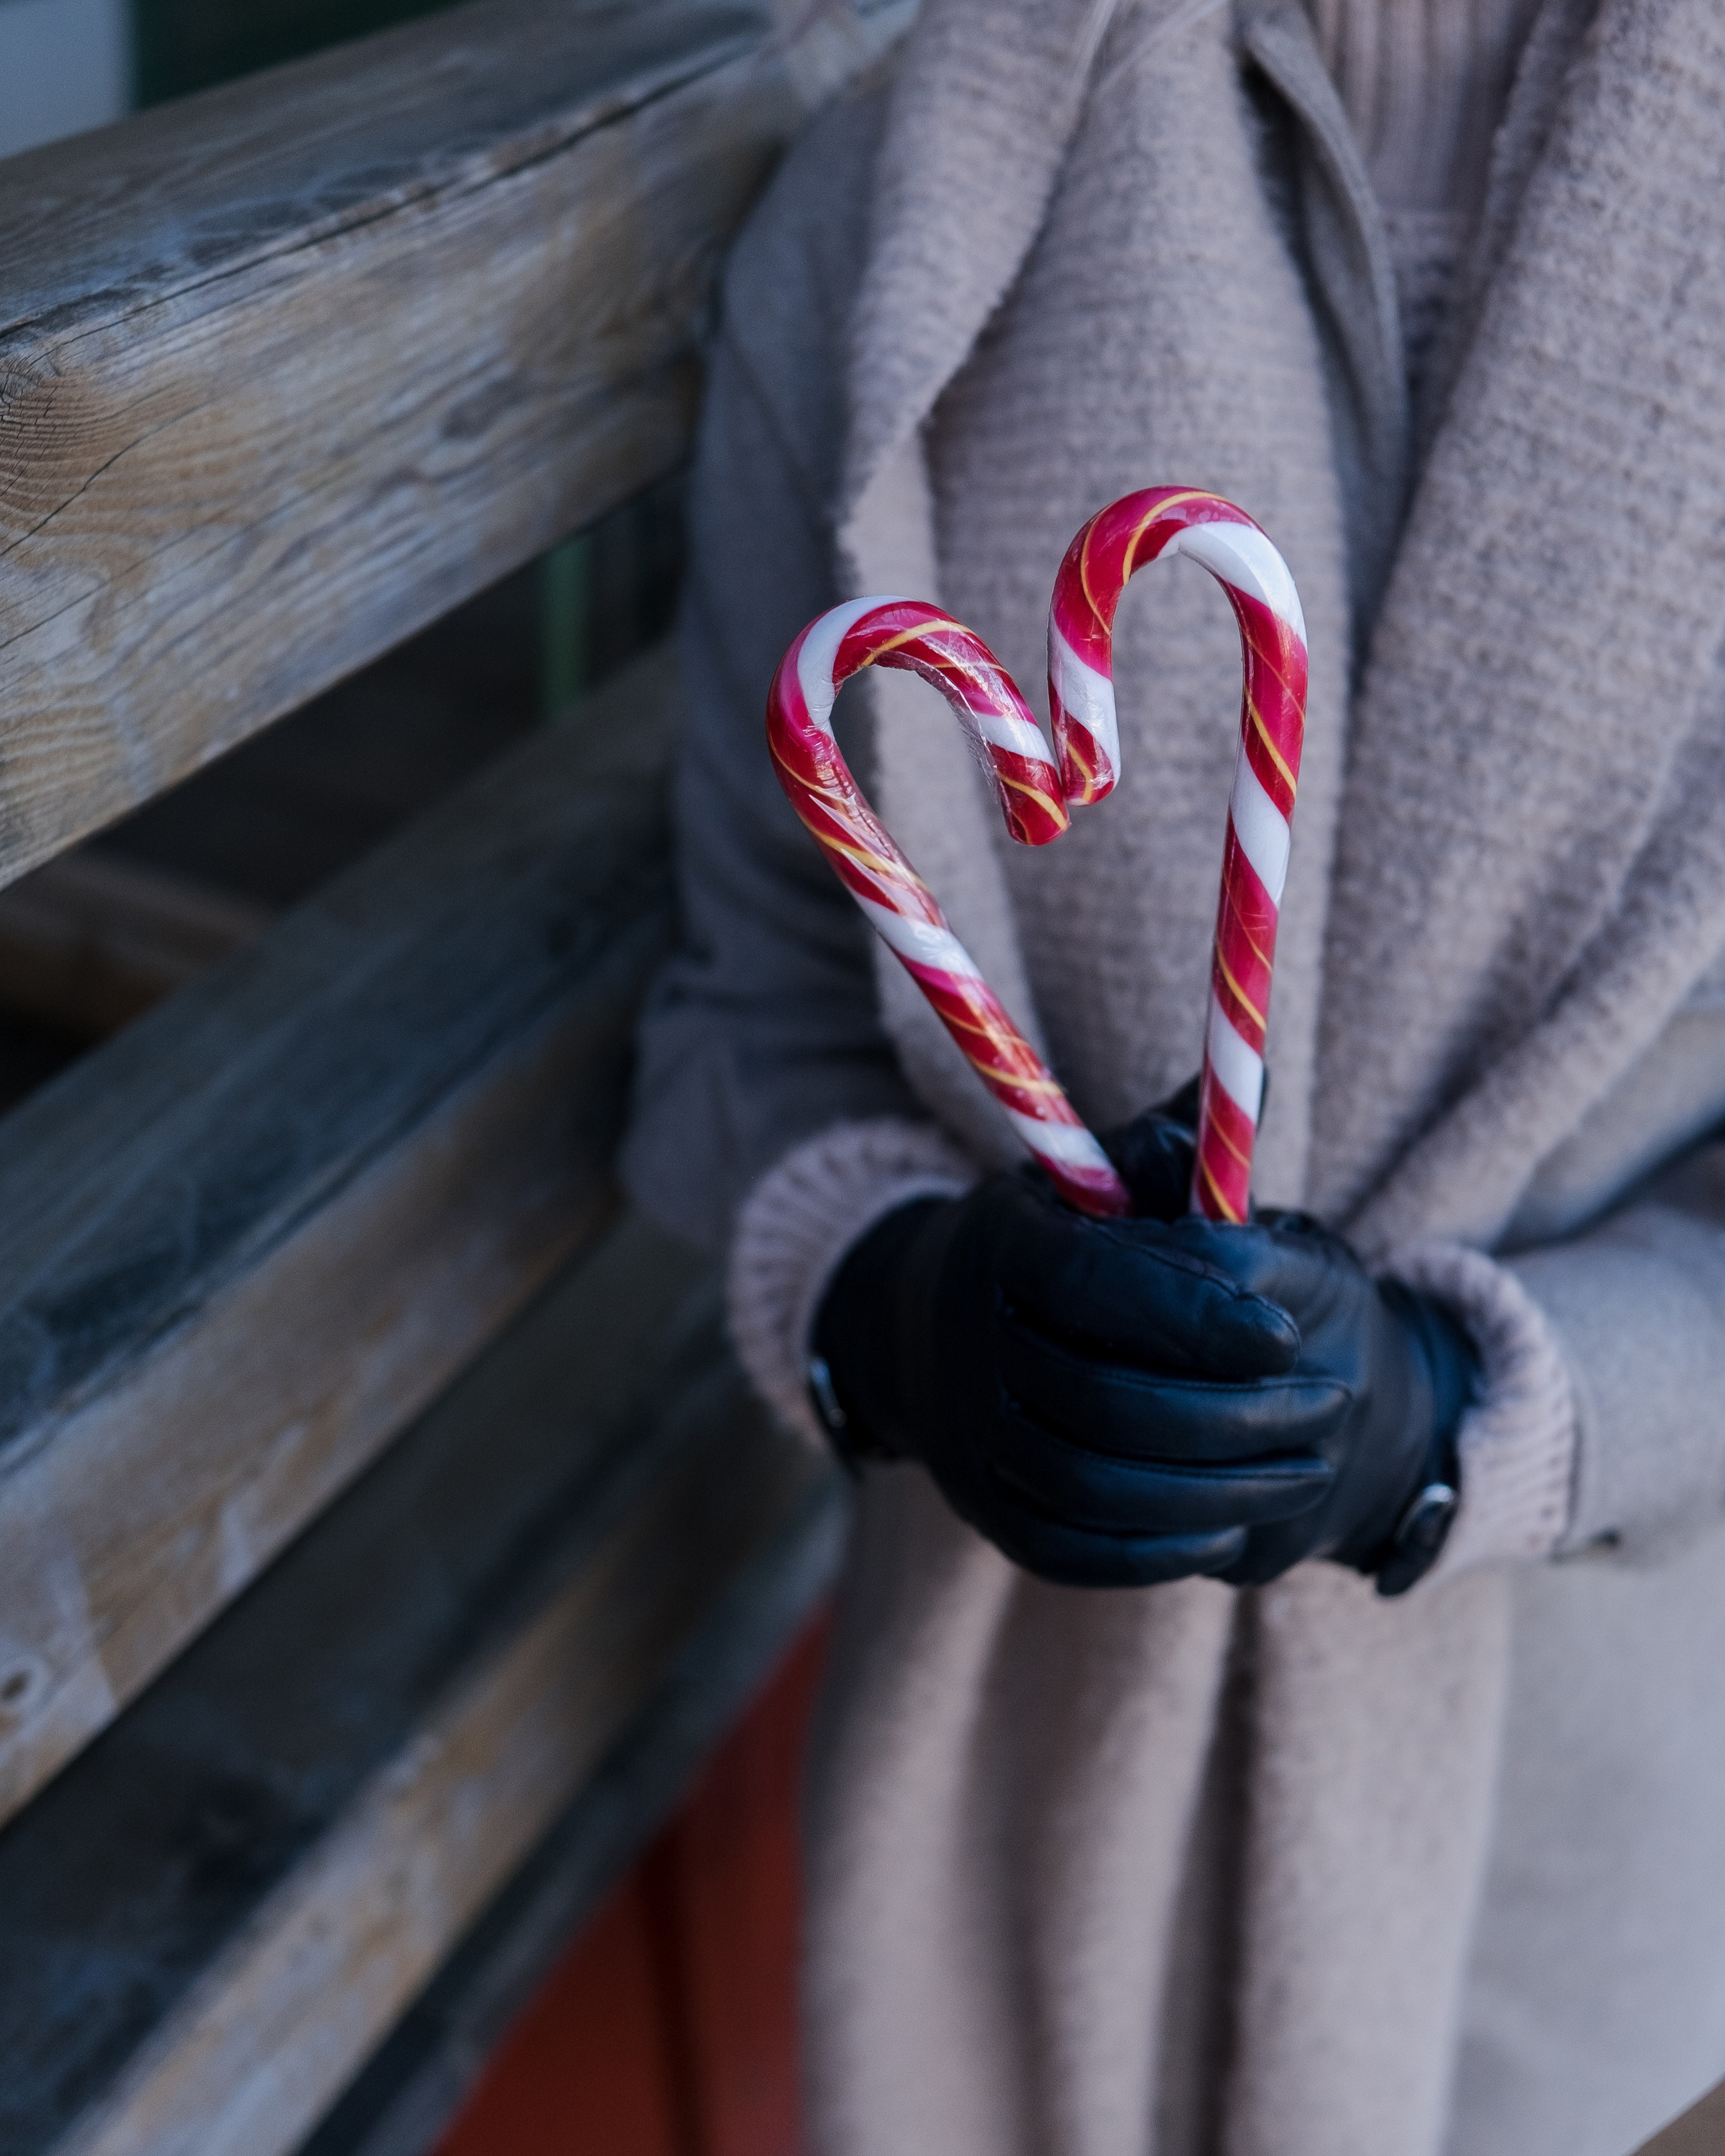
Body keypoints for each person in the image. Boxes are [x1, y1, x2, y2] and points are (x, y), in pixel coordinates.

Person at [621, 0, 1725, 2148]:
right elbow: (739, 1028)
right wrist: (907, 1313)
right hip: (1012, 1845)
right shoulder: (887, 236)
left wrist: (1451, 1416)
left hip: (1619, 1905)